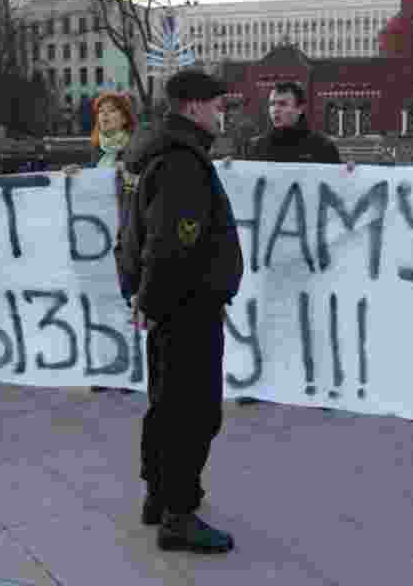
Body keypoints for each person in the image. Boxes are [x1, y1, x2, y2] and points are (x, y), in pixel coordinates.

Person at [118, 69, 244, 554]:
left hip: (170, 303)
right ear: (192, 107)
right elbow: (172, 240)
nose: (223, 113)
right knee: (194, 411)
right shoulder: (182, 163)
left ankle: (159, 495)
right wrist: (152, 297)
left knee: (166, 403)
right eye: (218, 105)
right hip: (188, 304)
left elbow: (136, 236)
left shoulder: (161, 155)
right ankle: (179, 514)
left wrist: (143, 296)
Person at [231, 81, 351, 405]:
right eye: (272, 104)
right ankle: (261, 382)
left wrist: (352, 175)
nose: (276, 110)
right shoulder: (256, 147)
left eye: (283, 104)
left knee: (314, 317)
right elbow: (241, 192)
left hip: (310, 248)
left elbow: (341, 192)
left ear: (300, 108)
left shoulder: (322, 147)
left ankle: (323, 384)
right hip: (270, 249)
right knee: (268, 316)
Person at [64, 91, 140, 395]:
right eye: (101, 112)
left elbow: (145, 183)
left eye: (111, 111)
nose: (105, 117)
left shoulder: (136, 150)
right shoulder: (97, 153)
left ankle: (132, 367)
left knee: (128, 299)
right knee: (102, 301)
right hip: (100, 239)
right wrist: (76, 176)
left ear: (125, 117)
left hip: (128, 233)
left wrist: (129, 175)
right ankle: (109, 365)